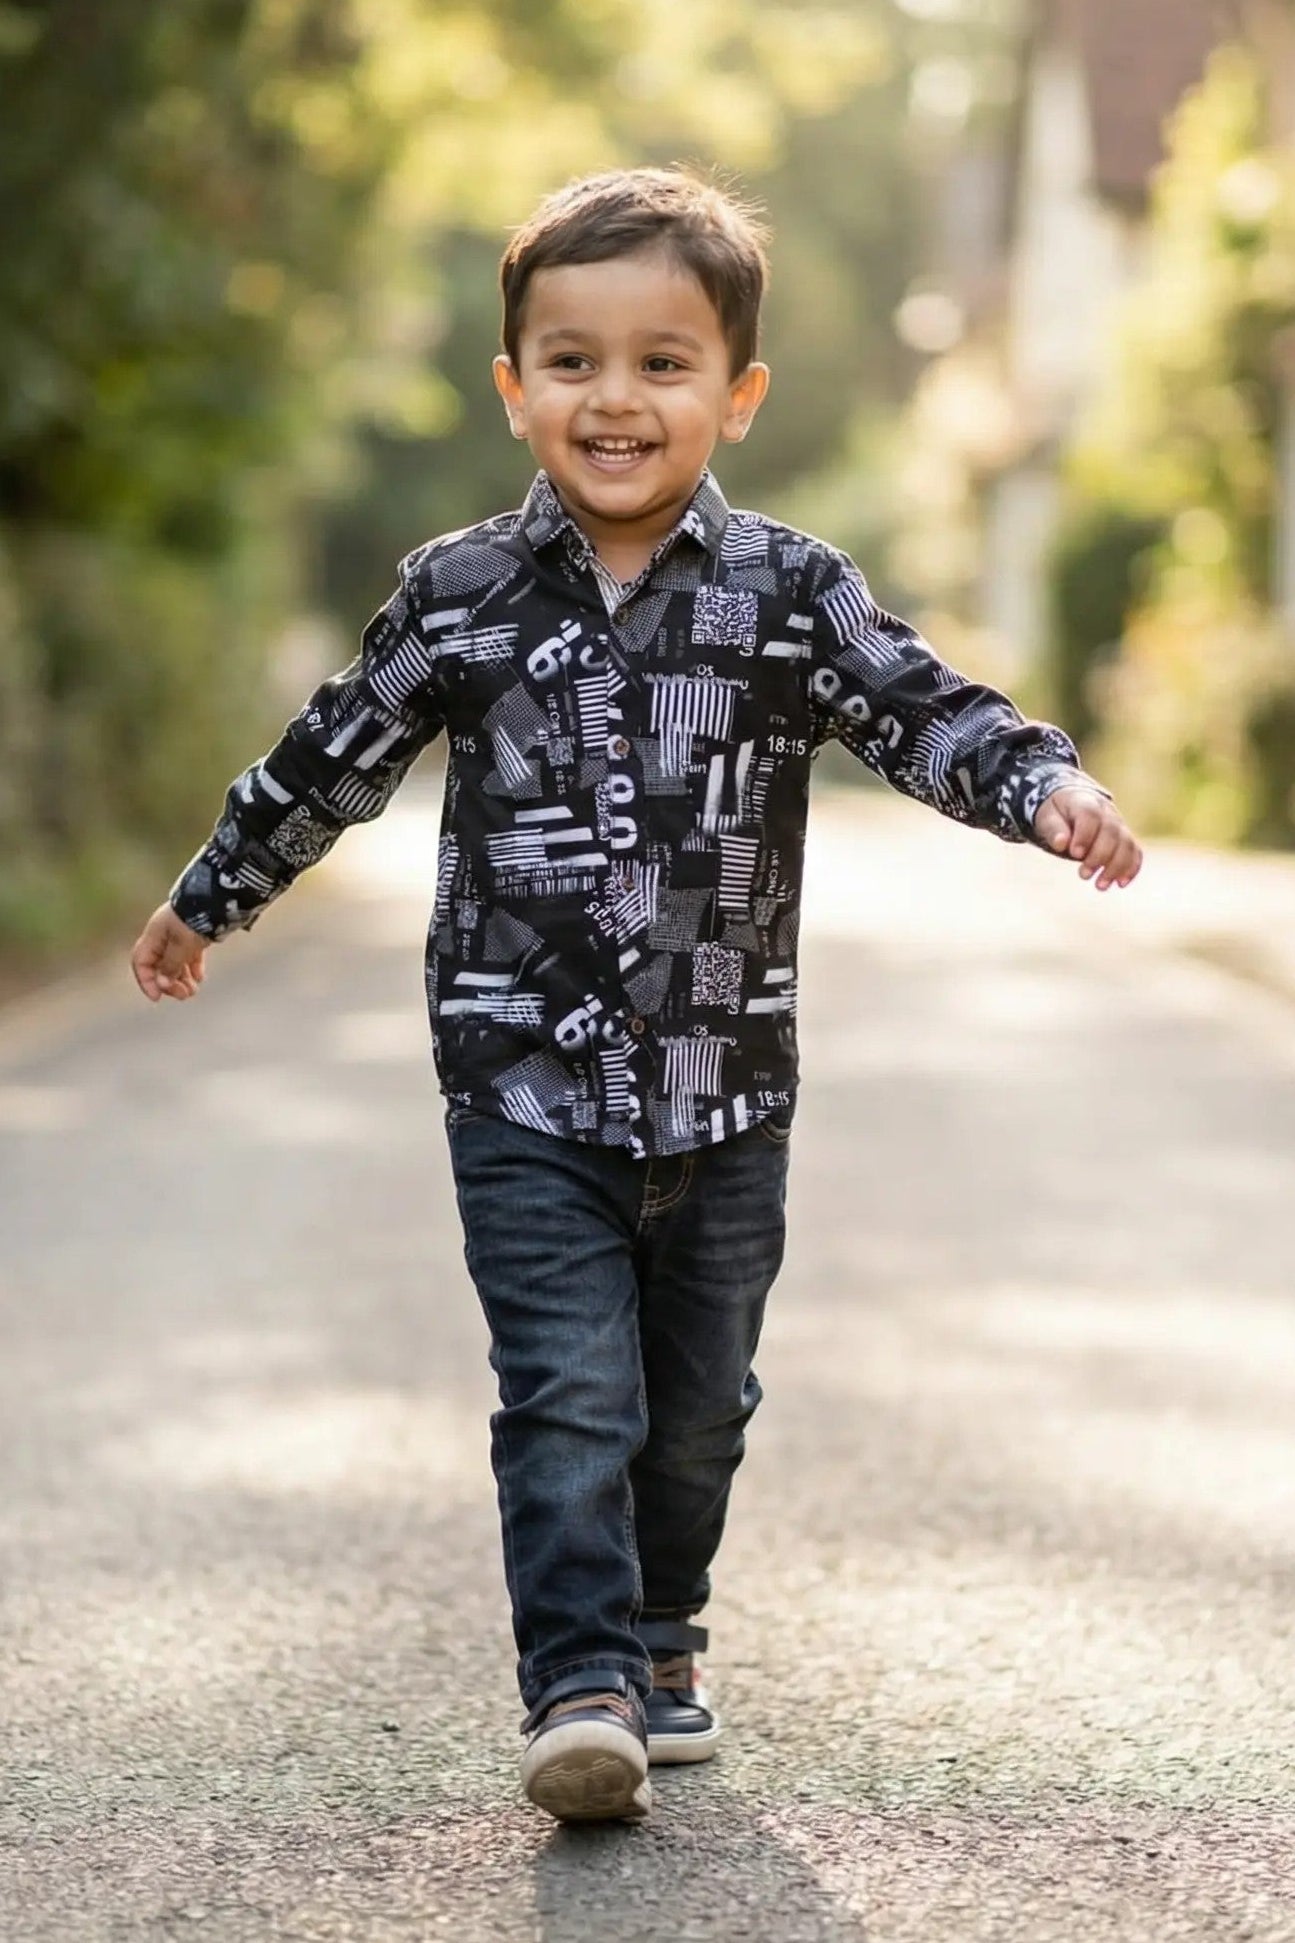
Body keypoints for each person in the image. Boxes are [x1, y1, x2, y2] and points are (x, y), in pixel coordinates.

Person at [130, 166, 1143, 1825]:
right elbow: (331, 756)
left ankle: (665, 1628)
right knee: (568, 1391)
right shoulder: (457, 594)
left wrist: (1041, 785)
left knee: (696, 1412)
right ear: (514, 383)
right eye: (576, 359)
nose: (619, 398)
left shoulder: (789, 597)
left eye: (666, 363)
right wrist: (209, 892)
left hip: (727, 1089)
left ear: (736, 397)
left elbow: (921, 708)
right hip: (519, 1083)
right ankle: (580, 1685)